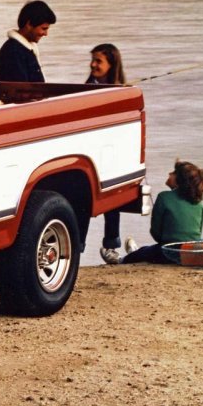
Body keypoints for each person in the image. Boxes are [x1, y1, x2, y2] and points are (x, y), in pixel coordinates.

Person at [122, 160, 203, 264]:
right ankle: (134, 254)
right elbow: (196, 234)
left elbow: (156, 233)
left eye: (173, 172)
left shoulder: (164, 197)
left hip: (167, 254)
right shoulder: (199, 204)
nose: (169, 173)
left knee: (143, 252)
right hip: (191, 254)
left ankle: (122, 260)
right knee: (146, 251)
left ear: (179, 180)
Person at [87, 43, 127, 263]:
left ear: (111, 65)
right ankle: (79, 245)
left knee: (113, 202)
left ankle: (111, 245)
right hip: (91, 153)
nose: (93, 65)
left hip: (110, 153)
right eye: (92, 60)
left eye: (98, 61)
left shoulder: (119, 90)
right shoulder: (86, 87)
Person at [0, 0, 55, 83]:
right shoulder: (13, 52)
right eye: (43, 28)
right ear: (29, 24)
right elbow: (20, 90)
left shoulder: (24, 49)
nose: (46, 34)